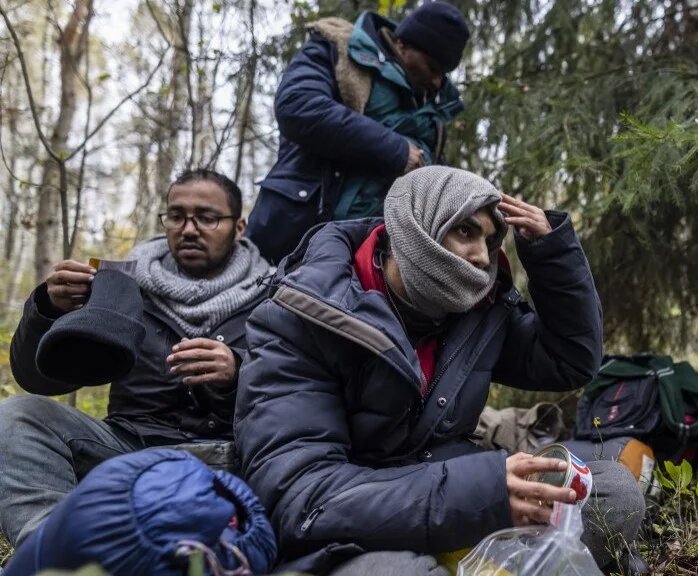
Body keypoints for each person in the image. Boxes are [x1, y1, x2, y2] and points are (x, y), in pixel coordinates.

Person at [235, 166, 644, 574]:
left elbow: (569, 361)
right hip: (355, 531)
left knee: (612, 493)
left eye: (490, 238)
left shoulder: (478, 311)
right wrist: (480, 495)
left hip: (456, 501)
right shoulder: (298, 316)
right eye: (465, 231)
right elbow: (301, 497)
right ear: (416, 228)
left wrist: (552, 255)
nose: (483, 257)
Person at [0, 169, 270, 548]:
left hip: (237, 457)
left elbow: (302, 390)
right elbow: (41, 381)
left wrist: (238, 370)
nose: (188, 229)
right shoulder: (119, 286)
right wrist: (48, 309)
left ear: (238, 226)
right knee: (17, 415)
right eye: (176, 216)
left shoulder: (274, 295)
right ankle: (55, 552)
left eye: (207, 217)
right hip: (129, 447)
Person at [247, 1, 470, 263]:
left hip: (375, 255)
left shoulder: (435, 105)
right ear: (402, 44)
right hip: (300, 232)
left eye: (442, 73)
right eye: (432, 67)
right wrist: (396, 150)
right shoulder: (338, 47)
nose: (436, 80)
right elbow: (298, 105)